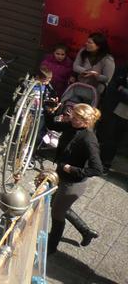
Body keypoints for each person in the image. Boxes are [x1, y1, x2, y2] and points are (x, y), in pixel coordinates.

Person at [47, 103, 103, 253]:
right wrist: (51, 111)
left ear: (84, 121)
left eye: (75, 116)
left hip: (72, 184)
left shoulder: (89, 139)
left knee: (57, 213)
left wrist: (70, 169)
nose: (71, 117)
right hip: (61, 176)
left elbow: (97, 169)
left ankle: (51, 247)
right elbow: (51, 125)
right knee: (58, 205)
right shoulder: (71, 126)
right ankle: (86, 231)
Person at [100, 64, 128, 172]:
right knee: (112, 138)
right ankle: (104, 163)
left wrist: (123, 91)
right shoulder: (123, 69)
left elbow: (120, 89)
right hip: (120, 111)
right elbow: (114, 87)